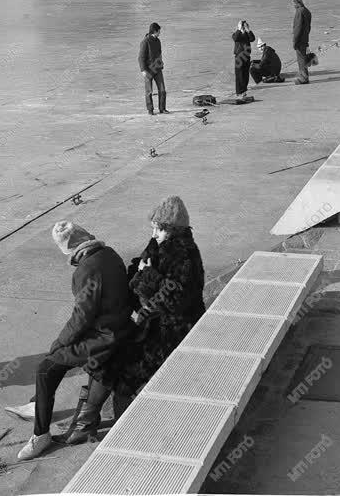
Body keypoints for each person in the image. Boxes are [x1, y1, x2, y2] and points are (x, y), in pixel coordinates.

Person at [17, 221, 133, 461]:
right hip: (121, 328)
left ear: (70, 250)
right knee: (66, 365)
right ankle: (79, 422)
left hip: (104, 338)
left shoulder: (87, 269)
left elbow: (82, 316)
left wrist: (59, 343)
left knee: (46, 368)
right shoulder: (109, 254)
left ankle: (41, 435)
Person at [105, 196, 205, 417]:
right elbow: (139, 280)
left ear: (172, 230)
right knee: (123, 373)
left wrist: (147, 276)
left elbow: (173, 297)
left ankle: (125, 429)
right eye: (153, 229)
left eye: (158, 230)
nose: (153, 235)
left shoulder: (183, 254)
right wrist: (142, 275)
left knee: (128, 378)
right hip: (157, 326)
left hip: (173, 330)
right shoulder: (160, 245)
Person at [139, 22, 169, 115]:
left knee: (162, 89)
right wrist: (143, 70)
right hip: (148, 70)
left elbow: (159, 53)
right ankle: (150, 110)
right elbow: (141, 57)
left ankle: (162, 108)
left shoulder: (158, 41)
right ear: (155, 31)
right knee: (149, 91)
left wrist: (161, 63)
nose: (160, 33)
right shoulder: (145, 42)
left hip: (157, 68)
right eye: (159, 31)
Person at [292, 0, 312, 84]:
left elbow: (297, 28)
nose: (293, 5)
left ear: (297, 2)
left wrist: (295, 41)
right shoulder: (307, 11)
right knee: (303, 58)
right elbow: (309, 27)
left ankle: (304, 78)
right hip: (305, 38)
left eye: (294, 3)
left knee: (301, 60)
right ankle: (304, 77)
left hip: (300, 40)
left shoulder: (299, 12)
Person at [232, 20, 256, 100]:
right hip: (239, 56)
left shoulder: (247, 34)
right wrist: (239, 29)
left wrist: (248, 29)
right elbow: (235, 38)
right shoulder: (236, 34)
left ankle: (244, 91)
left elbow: (252, 39)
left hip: (246, 56)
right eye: (242, 26)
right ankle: (239, 92)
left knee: (245, 74)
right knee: (239, 75)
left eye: (244, 26)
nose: (243, 28)